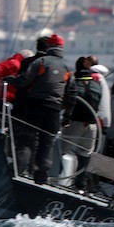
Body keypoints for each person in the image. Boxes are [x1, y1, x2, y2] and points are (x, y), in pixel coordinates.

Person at [9, 34, 71, 184]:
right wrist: (67, 113)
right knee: (47, 142)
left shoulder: (41, 61)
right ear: (62, 48)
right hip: (54, 111)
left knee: (27, 139)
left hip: (36, 106)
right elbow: (71, 93)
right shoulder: (67, 67)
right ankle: (41, 175)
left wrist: (10, 80)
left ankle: (17, 171)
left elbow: (25, 81)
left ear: (49, 46)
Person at [60, 57, 107, 191]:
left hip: (76, 123)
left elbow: (70, 101)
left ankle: (55, 177)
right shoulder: (97, 84)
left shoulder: (74, 82)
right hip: (93, 125)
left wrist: (65, 118)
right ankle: (81, 185)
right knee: (86, 155)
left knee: (60, 149)